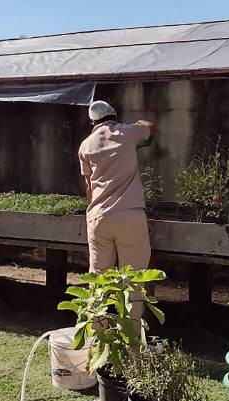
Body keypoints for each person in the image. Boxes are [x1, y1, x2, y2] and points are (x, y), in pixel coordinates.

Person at [78, 100, 157, 318]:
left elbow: (88, 188)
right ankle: (131, 339)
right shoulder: (127, 132)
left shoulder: (85, 145)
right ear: (114, 116)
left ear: (92, 122)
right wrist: (137, 123)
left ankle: (96, 335)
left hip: (98, 217)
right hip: (129, 214)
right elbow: (151, 127)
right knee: (133, 280)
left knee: (98, 278)